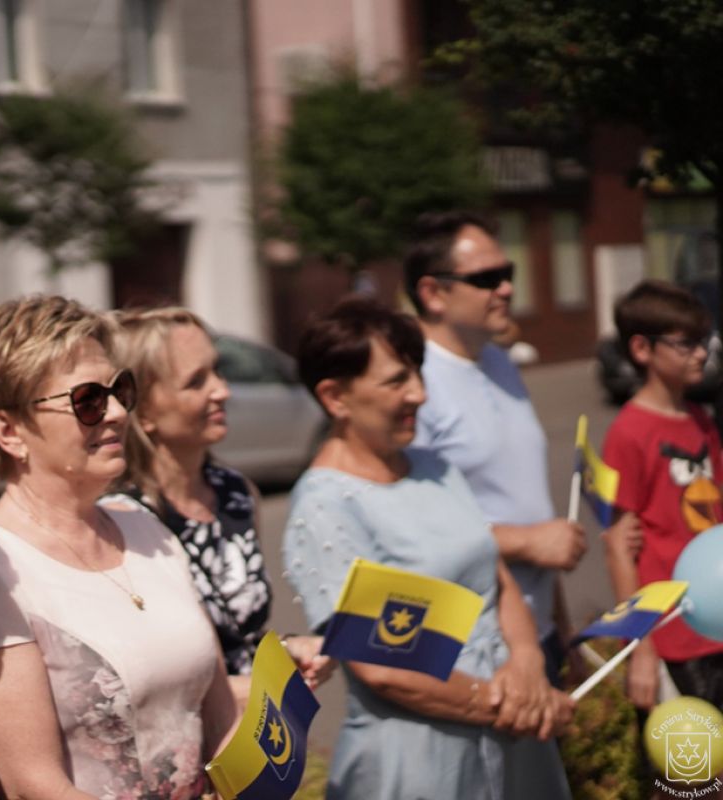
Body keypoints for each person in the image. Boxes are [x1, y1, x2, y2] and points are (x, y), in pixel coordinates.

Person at [0, 295, 238, 800]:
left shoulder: (145, 527)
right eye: (88, 400)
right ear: (9, 431)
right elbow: (31, 786)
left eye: (121, 390)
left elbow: (220, 718)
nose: (116, 412)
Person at [283, 296, 572, 800]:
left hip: (514, 735)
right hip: (421, 761)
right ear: (335, 396)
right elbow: (382, 668)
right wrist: (503, 703)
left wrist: (527, 662)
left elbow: (495, 575)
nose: (419, 393)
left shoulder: (435, 467)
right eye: (396, 381)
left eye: (417, 373)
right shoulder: (326, 507)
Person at [107, 306, 331, 699]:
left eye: (217, 370)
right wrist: (257, 687)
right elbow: (152, 679)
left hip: (256, 731)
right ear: (143, 411)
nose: (222, 390)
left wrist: (287, 649)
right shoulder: (122, 521)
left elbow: (238, 636)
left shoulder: (235, 492)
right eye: (196, 382)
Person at [404, 210, 586, 684]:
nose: (505, 289)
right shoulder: (411, 386)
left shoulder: (500, 363)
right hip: (476, 648)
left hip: (540, 635)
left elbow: (529, 508)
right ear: (433, 293)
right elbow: (412, 529)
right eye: (486, 278)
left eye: (508, 273)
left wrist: (564, 631)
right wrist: (530, 542)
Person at [602, 280, 723, 710]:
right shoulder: (628, 433)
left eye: (703, 340)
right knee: (690, 753)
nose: (701, 353)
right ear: (642, 349)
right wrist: (642, 647)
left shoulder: (700, 419)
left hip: (716, 627)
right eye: (685, 343)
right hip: (672, 638)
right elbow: (619, 547)